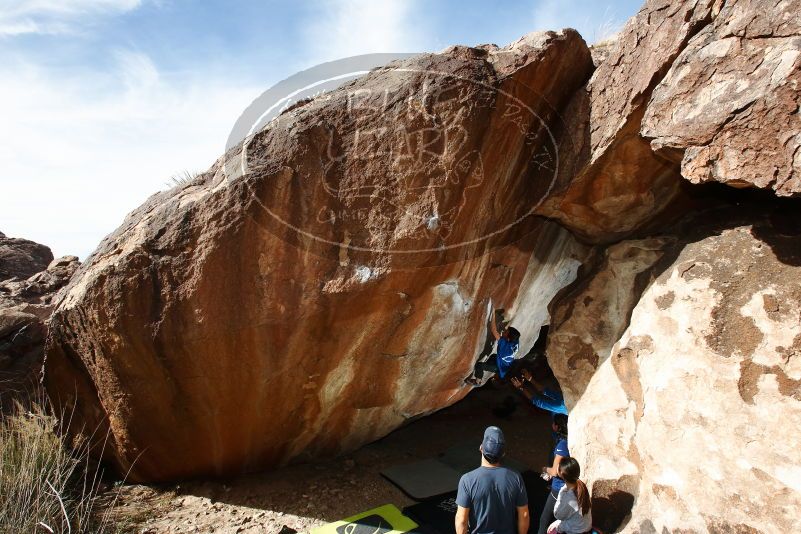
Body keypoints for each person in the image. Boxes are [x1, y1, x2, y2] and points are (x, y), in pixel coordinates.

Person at [455, 426, 530, 534]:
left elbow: (461, 520)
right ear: (503, 453)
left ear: (481, 448)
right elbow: (524, 514)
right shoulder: (516, 477)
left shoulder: (467, 480)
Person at [469, 308, 521, 384]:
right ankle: (491, 363)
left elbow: (494, 330)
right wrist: (500, 323)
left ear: (508, 338)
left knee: (480, 365)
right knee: (493, 356)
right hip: (505, 365)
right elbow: (507, 332)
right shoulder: (515, 340)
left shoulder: (505, 345)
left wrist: (493, 315)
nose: (504, 331)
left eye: (506, 332)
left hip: (500, 369)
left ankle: (478, 381)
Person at [537, 414, 569, 534]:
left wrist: (545, 469)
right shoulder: (569, 440)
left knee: (544, 520)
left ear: (556, 426)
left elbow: (555, 471)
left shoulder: (562, 445)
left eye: (553, 423)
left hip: (559, 488)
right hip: (566, 486)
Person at [547, 457, 592, 534]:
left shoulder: (569, 498)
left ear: (561, 473)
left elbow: (557, 515)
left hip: (576, 530)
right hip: (584, 525)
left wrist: (561, 493)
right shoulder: (580, 484)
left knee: (550, 531)